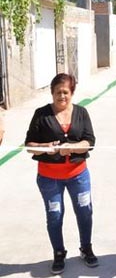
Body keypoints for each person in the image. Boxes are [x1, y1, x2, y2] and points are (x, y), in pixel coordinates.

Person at [25, 73, 98, 275]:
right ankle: (58, 252)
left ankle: (86, 248)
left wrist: (72, 148)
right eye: (58, 92)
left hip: (78, 175)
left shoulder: (81, 113)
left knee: (85, 211)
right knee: (55, 215)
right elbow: (29, 146)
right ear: (52, 93)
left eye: (66, 92)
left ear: (72, 93)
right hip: (49, 178)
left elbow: (90, 142)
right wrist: (46, 147)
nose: (62, 96)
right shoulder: (41, 114)